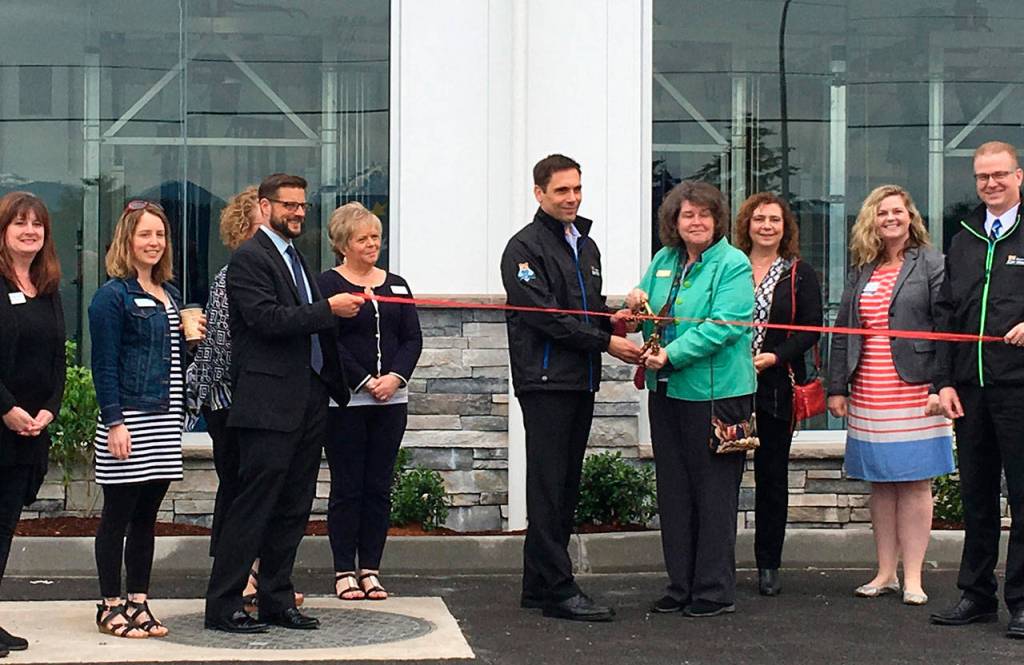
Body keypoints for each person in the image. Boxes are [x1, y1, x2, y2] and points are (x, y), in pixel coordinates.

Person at [204, 174, 362, 634]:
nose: (296, 212)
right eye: (288, 205)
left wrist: (334, 381)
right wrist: (328, 310)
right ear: (265, 206)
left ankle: (276, 597)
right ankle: (224, 603)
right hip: (267, 403)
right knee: (254, 505)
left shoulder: (297, 258)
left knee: (295, 506)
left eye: (301, 205)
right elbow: (265, 319)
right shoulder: (249, 259)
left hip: (308, 397)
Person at [501, 154, 641, 622]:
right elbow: (549, 319)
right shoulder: (523, 248)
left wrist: (617, 319)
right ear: (539, 193)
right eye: (562, 190)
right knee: (548, 486)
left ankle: (538, 586)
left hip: (580, 380)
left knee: (563, 485)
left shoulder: (586, 245)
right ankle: (559, 589)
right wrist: (607, 342)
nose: (572, 197)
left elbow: (588, 307)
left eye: (577, 188)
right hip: (544, 382)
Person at [626, 180, 755, 618]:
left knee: (714, 495)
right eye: (687, 215)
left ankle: (714, 590)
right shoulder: (664, 260)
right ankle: (679, 585)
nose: (695, 222)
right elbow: (646, 312)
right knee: (675, 493)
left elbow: (726, 325)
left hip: (718, 397)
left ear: (717, 220)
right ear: (674, 222)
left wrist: (672, 354)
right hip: (668, 393)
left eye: (703, 214)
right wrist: (631, 308)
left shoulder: (733, 264)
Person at [828, 185, 953, 606]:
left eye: (897, 211)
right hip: (868, 388)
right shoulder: (862, 268)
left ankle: (913, 577)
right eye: (882, 213)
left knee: (916, 482)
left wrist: (940, 385)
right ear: (872, 221)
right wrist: (836, 386)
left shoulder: (933, 263)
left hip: (917, 388)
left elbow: (944, 329)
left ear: (910, 216)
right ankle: (884, 573)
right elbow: (844, 328)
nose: (890, 219)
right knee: (880, 484)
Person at [184, 187, 303, 611]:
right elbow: (219, 350)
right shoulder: (231, 274)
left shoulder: (288, 266)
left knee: (265, 496)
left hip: (261, 401)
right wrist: (215, 403)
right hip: (231, 404)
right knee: (239, 495)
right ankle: (236, 586)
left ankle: (262, 580)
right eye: (260, 223)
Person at [89, 200, 198, 639]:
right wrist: (115, 421)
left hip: (164, 420)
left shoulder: (168, 295)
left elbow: (170, 361)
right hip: (129, 421)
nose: (154, 242)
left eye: (160, 235)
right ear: (127, 240)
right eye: (145, 235)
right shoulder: (110, 296)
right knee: (117, 515)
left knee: (146, 519)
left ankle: (139, 601)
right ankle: (108, 604)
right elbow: (105, 364)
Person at [931, 141, 1024, 638]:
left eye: (1000, 175)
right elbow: (944, 313)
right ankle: (976, 595)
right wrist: (943, 381)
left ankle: (1023, 601)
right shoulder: (964, 235)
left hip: (1019, 387)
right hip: (970, 388)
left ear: (1019, 176)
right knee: (977, 496)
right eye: (983, 176)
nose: (991, 183)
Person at [318, 202, 422, 601]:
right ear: (344, 243)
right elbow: (329, 341)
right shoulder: (328, 285)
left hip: (391, 402)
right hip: (347, 403)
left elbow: (412, 337)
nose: (371, 244)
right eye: (362, 238)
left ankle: (371, 568)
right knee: (348, 486)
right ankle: (344, 569)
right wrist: (363, 380)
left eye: (375, 237)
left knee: (379, 486)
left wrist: (394, 378)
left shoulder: (396, 283)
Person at [733, 192, 822, 596]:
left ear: (785, 228)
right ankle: (717, 561)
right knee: (723, 474)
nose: (766, 226)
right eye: (759, 219)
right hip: (728, 383)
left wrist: (774, 356)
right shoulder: (729, 266)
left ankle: (768, 564)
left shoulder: (799, 272)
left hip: (774, 384)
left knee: (772, 476)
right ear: (746, 225)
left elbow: (810, 329)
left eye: (775, 220)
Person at [0, 192, 65, 656]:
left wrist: (49, 409)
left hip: (29, 431)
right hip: (0, 423)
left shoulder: (48, 287)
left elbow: (58, 361)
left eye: (37, 224)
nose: (29, 231)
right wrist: (5, 407)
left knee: (4, 529)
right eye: (19, 223)